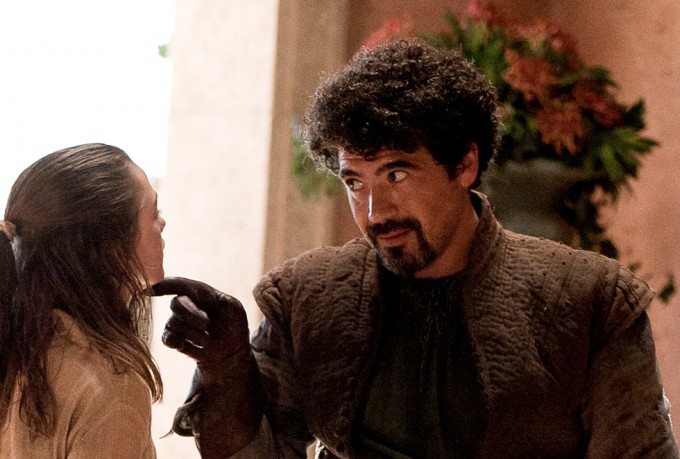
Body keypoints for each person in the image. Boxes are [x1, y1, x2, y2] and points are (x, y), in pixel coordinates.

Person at [154, 39, 678, 458]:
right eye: (354, 182)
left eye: (397, 174)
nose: (375, 211)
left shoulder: (590, 299)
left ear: (465, 165)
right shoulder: (307, 294)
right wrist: (228, 369)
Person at [0, 143, 165, 458]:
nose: (162, 223)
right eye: (153, 213)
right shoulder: (112, 387)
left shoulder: (18, 347)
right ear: (112, 246)